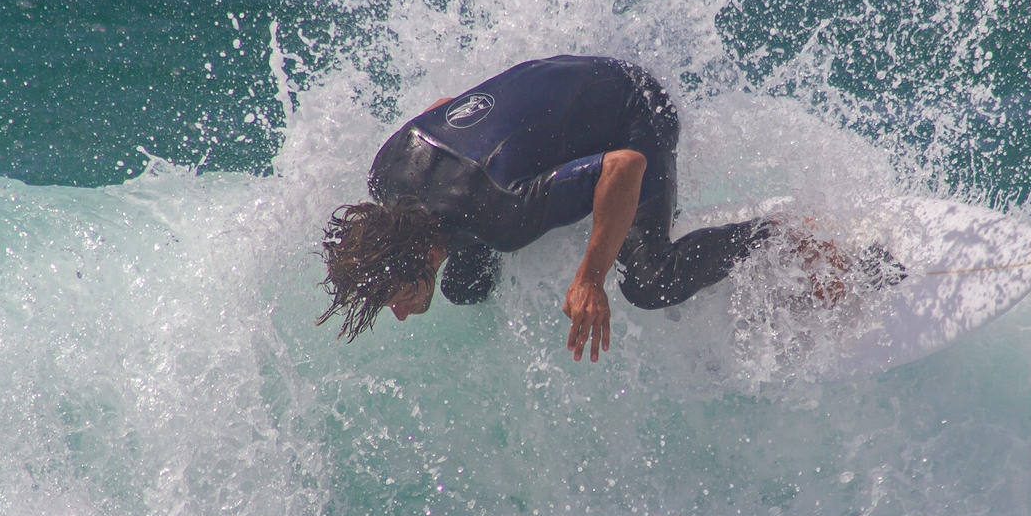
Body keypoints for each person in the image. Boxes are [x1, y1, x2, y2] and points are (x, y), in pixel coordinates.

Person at [318, 56, 774, 361]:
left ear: (422, 256)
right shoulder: (387, 171)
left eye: (397, 298)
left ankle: (778, 236)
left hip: (631, 105)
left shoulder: (500, 215)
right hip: (557, 75)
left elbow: (625, 166)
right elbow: (441, 109)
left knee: (650, 280)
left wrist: (590, 278)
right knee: (465, 286)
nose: (399, 313)